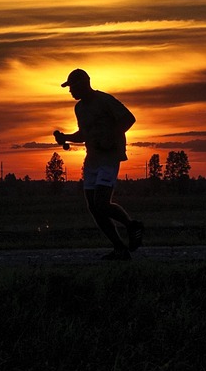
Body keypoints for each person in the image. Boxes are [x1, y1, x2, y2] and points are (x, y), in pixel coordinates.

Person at [53, 68, 144, 260]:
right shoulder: (79, 108)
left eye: (72, 87)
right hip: (92, 160)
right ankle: (120, 249)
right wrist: (66, 137)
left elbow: (129, 119)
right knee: (94, 207)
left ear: (83, 84)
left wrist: (111, 138)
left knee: (101, 204)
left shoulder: (104, 100)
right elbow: (84, 134)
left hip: (109, 159)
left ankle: (131, 226)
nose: (70, 92)